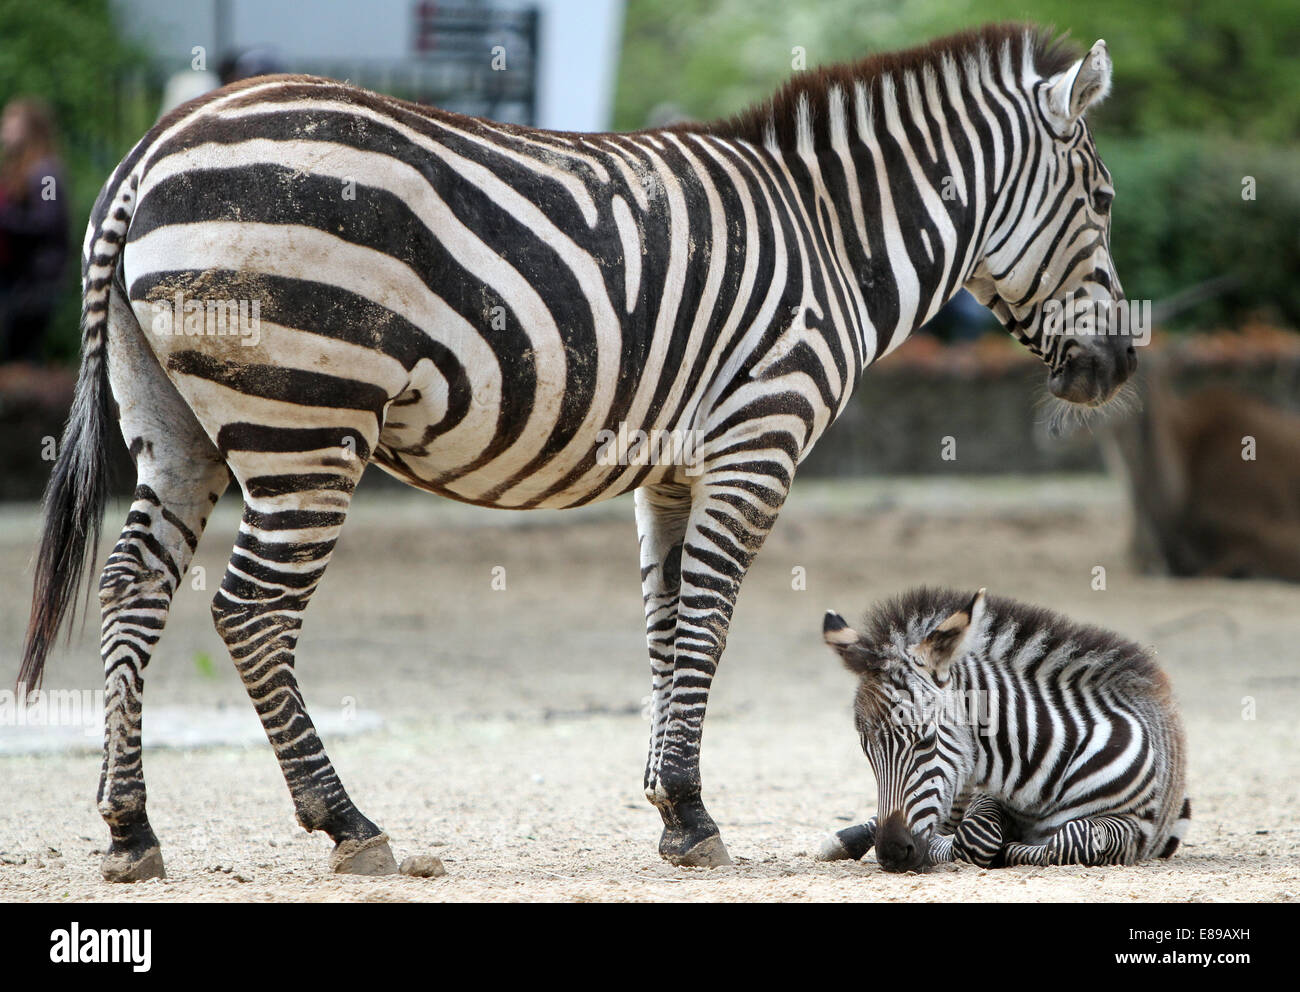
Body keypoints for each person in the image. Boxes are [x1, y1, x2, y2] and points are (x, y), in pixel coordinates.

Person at [0, 97, 69, 363]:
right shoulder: (21, 169)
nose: (4, 128)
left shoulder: (47, 172)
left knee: (23, 357)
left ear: (30, 129)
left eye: (10, 121)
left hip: (36, 284)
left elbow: (48, 221)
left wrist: (4, 218)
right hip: (22, 281)